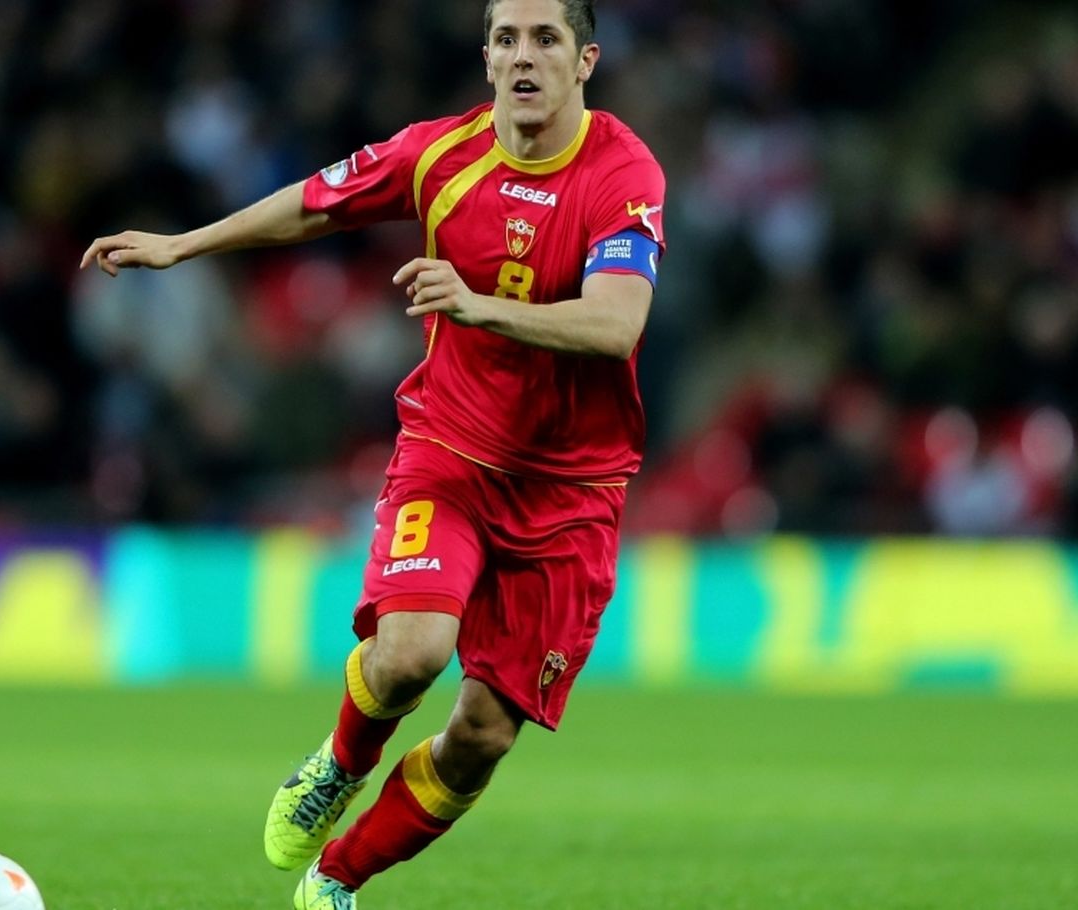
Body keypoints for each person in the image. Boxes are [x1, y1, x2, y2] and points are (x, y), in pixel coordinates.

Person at [80, 1, 665, 906]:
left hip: (572, 494)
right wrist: (184, 246)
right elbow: (316, 204)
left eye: (546, 39)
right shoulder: (441, 153)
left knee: (481, 736)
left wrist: (476, 306)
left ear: (585, 60)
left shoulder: (623, 173)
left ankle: (336, 878)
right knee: (409, 656)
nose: (524, 56)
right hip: (452, 451)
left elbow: (617, 323)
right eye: (506, 38)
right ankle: (340, 763)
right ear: (484, 56)